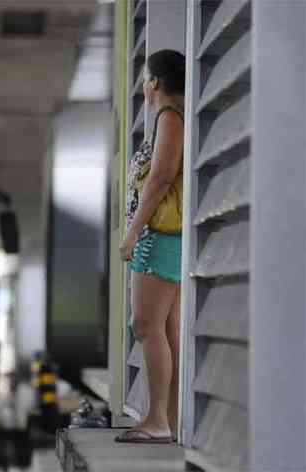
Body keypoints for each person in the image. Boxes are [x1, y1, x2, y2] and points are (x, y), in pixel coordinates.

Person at [115, 50, 185, 444]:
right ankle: (167, 418)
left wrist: (131, 234)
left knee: (145, 325)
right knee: (165, 329)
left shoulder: (168, 118)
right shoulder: (167, 118)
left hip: (157, 237)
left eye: (145, 78)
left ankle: (157, 419)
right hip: (160, 238)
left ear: (154, 82)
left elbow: (160, 179)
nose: (144, 84)